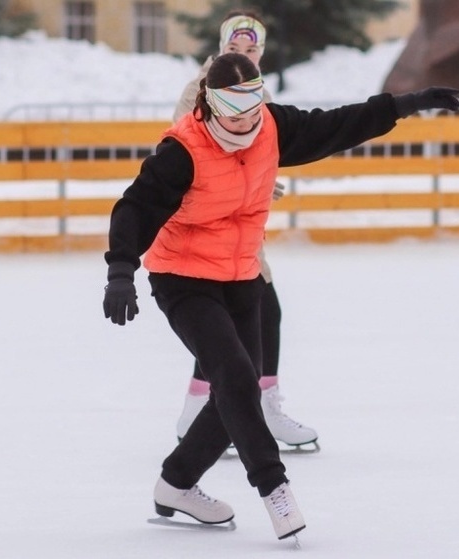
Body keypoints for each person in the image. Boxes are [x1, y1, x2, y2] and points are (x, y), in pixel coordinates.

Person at [103, 52, 459, 540]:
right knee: (233, 375)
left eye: (254, 107)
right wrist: (121, 269)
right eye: (236, 111)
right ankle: (275, 489)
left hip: (243, 276)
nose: (247, 120)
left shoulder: (271, 127)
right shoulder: (183, 149)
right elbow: (136, 207)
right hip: (183, 277)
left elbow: (336, 125)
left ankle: (176, 483)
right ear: (211, 104)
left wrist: (402, 105)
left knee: (237, 392)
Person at [172, 10, 319, 452]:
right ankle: (221, 409)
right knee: (240, 320)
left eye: (252, 49)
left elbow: (260, 145)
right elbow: (181, 151)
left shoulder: (258, 91)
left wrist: (262, 180)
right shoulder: (201, 90)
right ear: (221, 49)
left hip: (242, 227)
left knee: (251, 317)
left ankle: (226, 407)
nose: (244, 56)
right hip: (207, 226)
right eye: (235, 49)